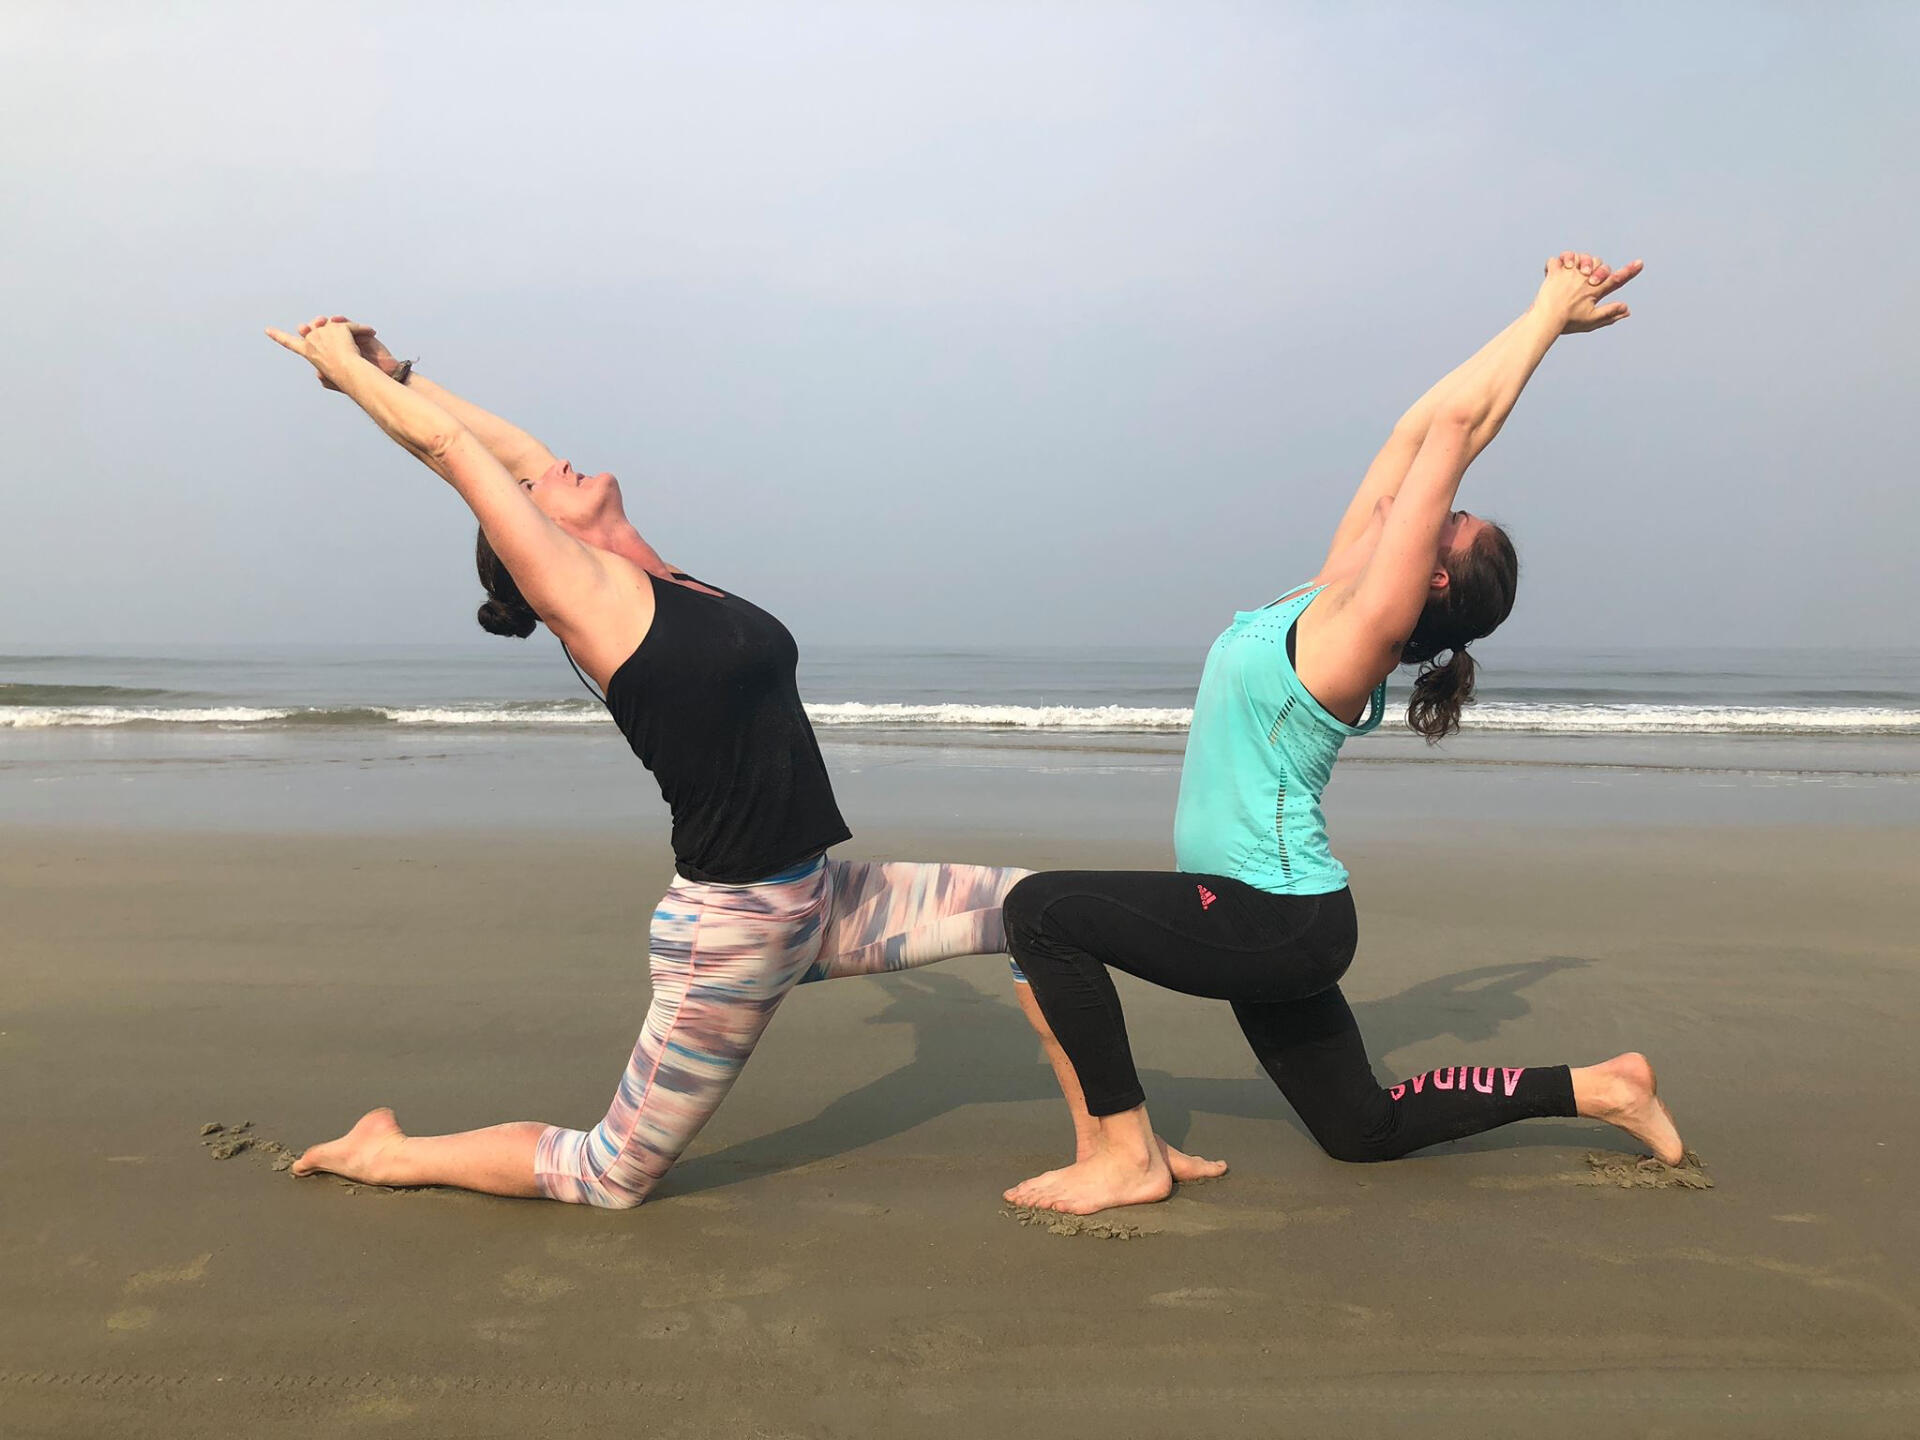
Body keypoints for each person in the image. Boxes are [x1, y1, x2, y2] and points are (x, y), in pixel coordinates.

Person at [265, 314, 1029, 1208]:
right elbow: (451, 452)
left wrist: (395, 369)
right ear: (536, 543)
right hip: (732, 934)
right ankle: (383, 1154)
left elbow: (507, 451)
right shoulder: (593, 603)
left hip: (818, 897)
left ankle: (1116, 1148)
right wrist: (346, 375)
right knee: (612, 1176)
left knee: (1039, 911)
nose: (551, 463)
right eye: (529, 490)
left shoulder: (660, 575)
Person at [1002, 252, 1685, 1216]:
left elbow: (1458, 431)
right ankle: (1606, 1087)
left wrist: (1543, 314)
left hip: (1274, 917)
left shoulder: (1364, 634)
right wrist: (1537, 325)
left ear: (1430, 581)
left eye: (1451, 518)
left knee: (1041, 910)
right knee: (1359, 1129)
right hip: (1278, 914)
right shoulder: (1327, 594)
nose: (1439, 501)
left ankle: (1125, 1155)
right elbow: (1423, 426)